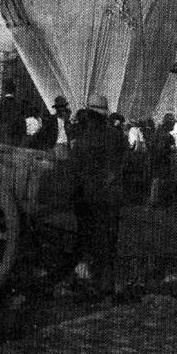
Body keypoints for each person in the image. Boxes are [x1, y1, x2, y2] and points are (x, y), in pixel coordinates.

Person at [71, 94, 127, 299]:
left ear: (91, 115)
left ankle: (94, 284)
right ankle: (106, 285)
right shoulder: (117, 135)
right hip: (112, 194)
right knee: (109, 240)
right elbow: (123, 162)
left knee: (91, 238)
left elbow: (77, 166)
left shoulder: (86, 137)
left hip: (91, 195)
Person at [149, 113, 175, 207]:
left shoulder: (157, 132)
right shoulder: (167, 136)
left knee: (156, 179)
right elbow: (169, 148)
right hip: (163, 159)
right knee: (162, 179)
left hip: (156, 158)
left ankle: (155, 200)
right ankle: (159, 200)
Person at [0, 79, 26, 145]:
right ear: (14, 91)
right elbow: (22, 125)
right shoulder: (20, 106)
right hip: (14, 140)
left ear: (3, 90)